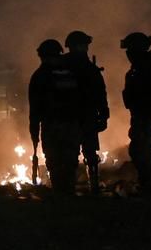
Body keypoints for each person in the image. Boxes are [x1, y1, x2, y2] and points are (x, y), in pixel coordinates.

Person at [28, 38, 81, 195]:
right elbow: (79, 99)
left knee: (55, 161)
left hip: (52, 126)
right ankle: (68, 193)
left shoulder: (39, 76)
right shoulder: (70, 73)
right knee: (69, 160)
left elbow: (35, 107)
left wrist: (34, 130)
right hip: (71, 125)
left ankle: (60, 193)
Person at [121, 32, 151, 195]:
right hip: (142, 112)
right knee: (141, 146)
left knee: (141, 147)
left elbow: (150, 92)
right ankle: (149, 182)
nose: (127, 54)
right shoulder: (142, 66)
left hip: (146, 113)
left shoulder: (147, 66)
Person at [64, 31, 109, 195]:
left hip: (74, 116)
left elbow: (100, 93)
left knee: (78, 153)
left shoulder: (64, 66)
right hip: (78, 116)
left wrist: (104, 114)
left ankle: (72, 188)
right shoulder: (87, 68)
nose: (86, 48)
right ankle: (90, 187)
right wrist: (103, 114)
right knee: (85, 153)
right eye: (84, 45)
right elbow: (100, 93)